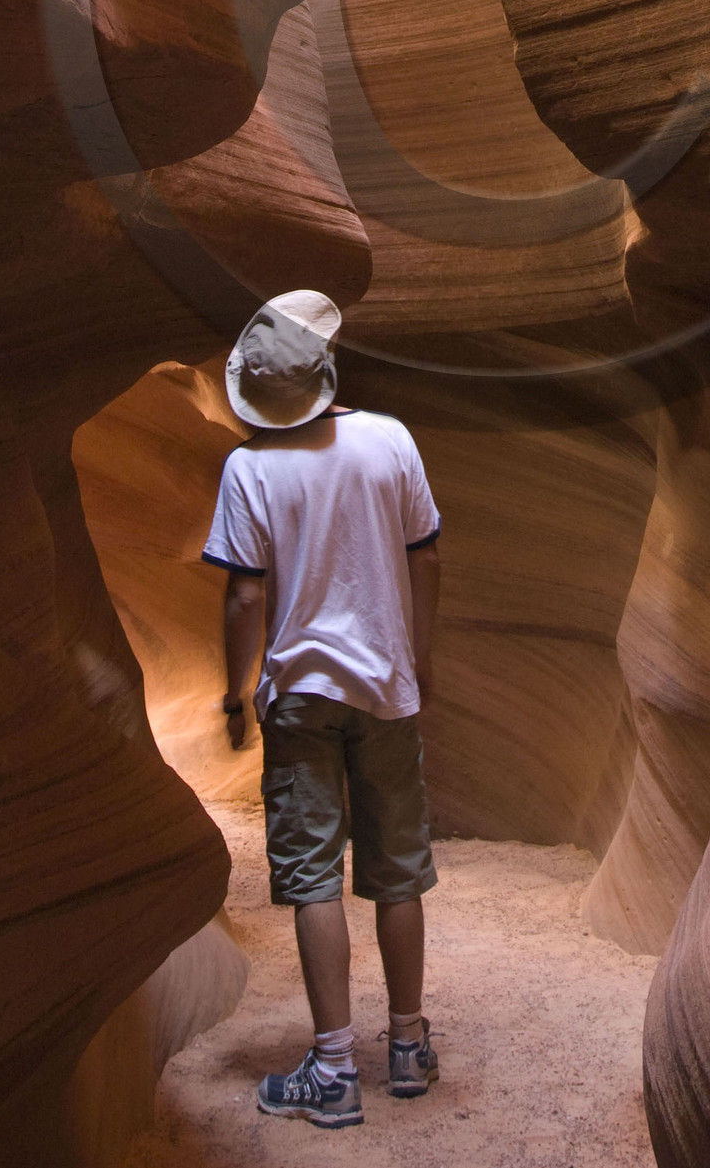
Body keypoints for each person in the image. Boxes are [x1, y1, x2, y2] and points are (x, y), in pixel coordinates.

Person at [203, 289, 442, 1129]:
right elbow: (424, 556)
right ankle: (407, 1046)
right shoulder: (389, 441)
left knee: (314, 879)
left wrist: (237, 690)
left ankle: (335, 1067)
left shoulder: (250, 467)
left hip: (301, 696)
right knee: (398, 870)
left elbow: (244, 595)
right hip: (386, 687)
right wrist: (416, 658)